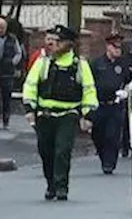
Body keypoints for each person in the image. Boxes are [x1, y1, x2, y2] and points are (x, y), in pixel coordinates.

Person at [22, 24, 98, 201]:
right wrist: (29, 109)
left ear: (67, 44)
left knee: (62, 150)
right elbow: (30, 86)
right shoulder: (43, 63)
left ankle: (61, 186)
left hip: (68, 114)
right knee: (46, 150)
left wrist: (88, 114)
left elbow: (89, 90)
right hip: (45, 114)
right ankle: (51, 183)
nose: (51, 45)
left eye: (56, 42)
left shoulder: (79, 65)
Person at [88, 32, 132, 174]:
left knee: (112, 135)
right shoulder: (96, 63)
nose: (118, 50)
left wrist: (125, 91)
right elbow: (89, 83)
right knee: (98, 134)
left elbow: (129, 81)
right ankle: (103, 156)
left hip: (115, 105)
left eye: (119, 48)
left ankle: (109, 163)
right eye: (115, 47)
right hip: (99, 104)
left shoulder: (124, 64)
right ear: (108, 47)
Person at [0, 17, 25, 130]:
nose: (0, 29)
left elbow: (19, 53)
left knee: (6, 98)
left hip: (7, 73)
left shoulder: (12, 39)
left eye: (2, 27)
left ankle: (6, 121)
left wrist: (12, 63)